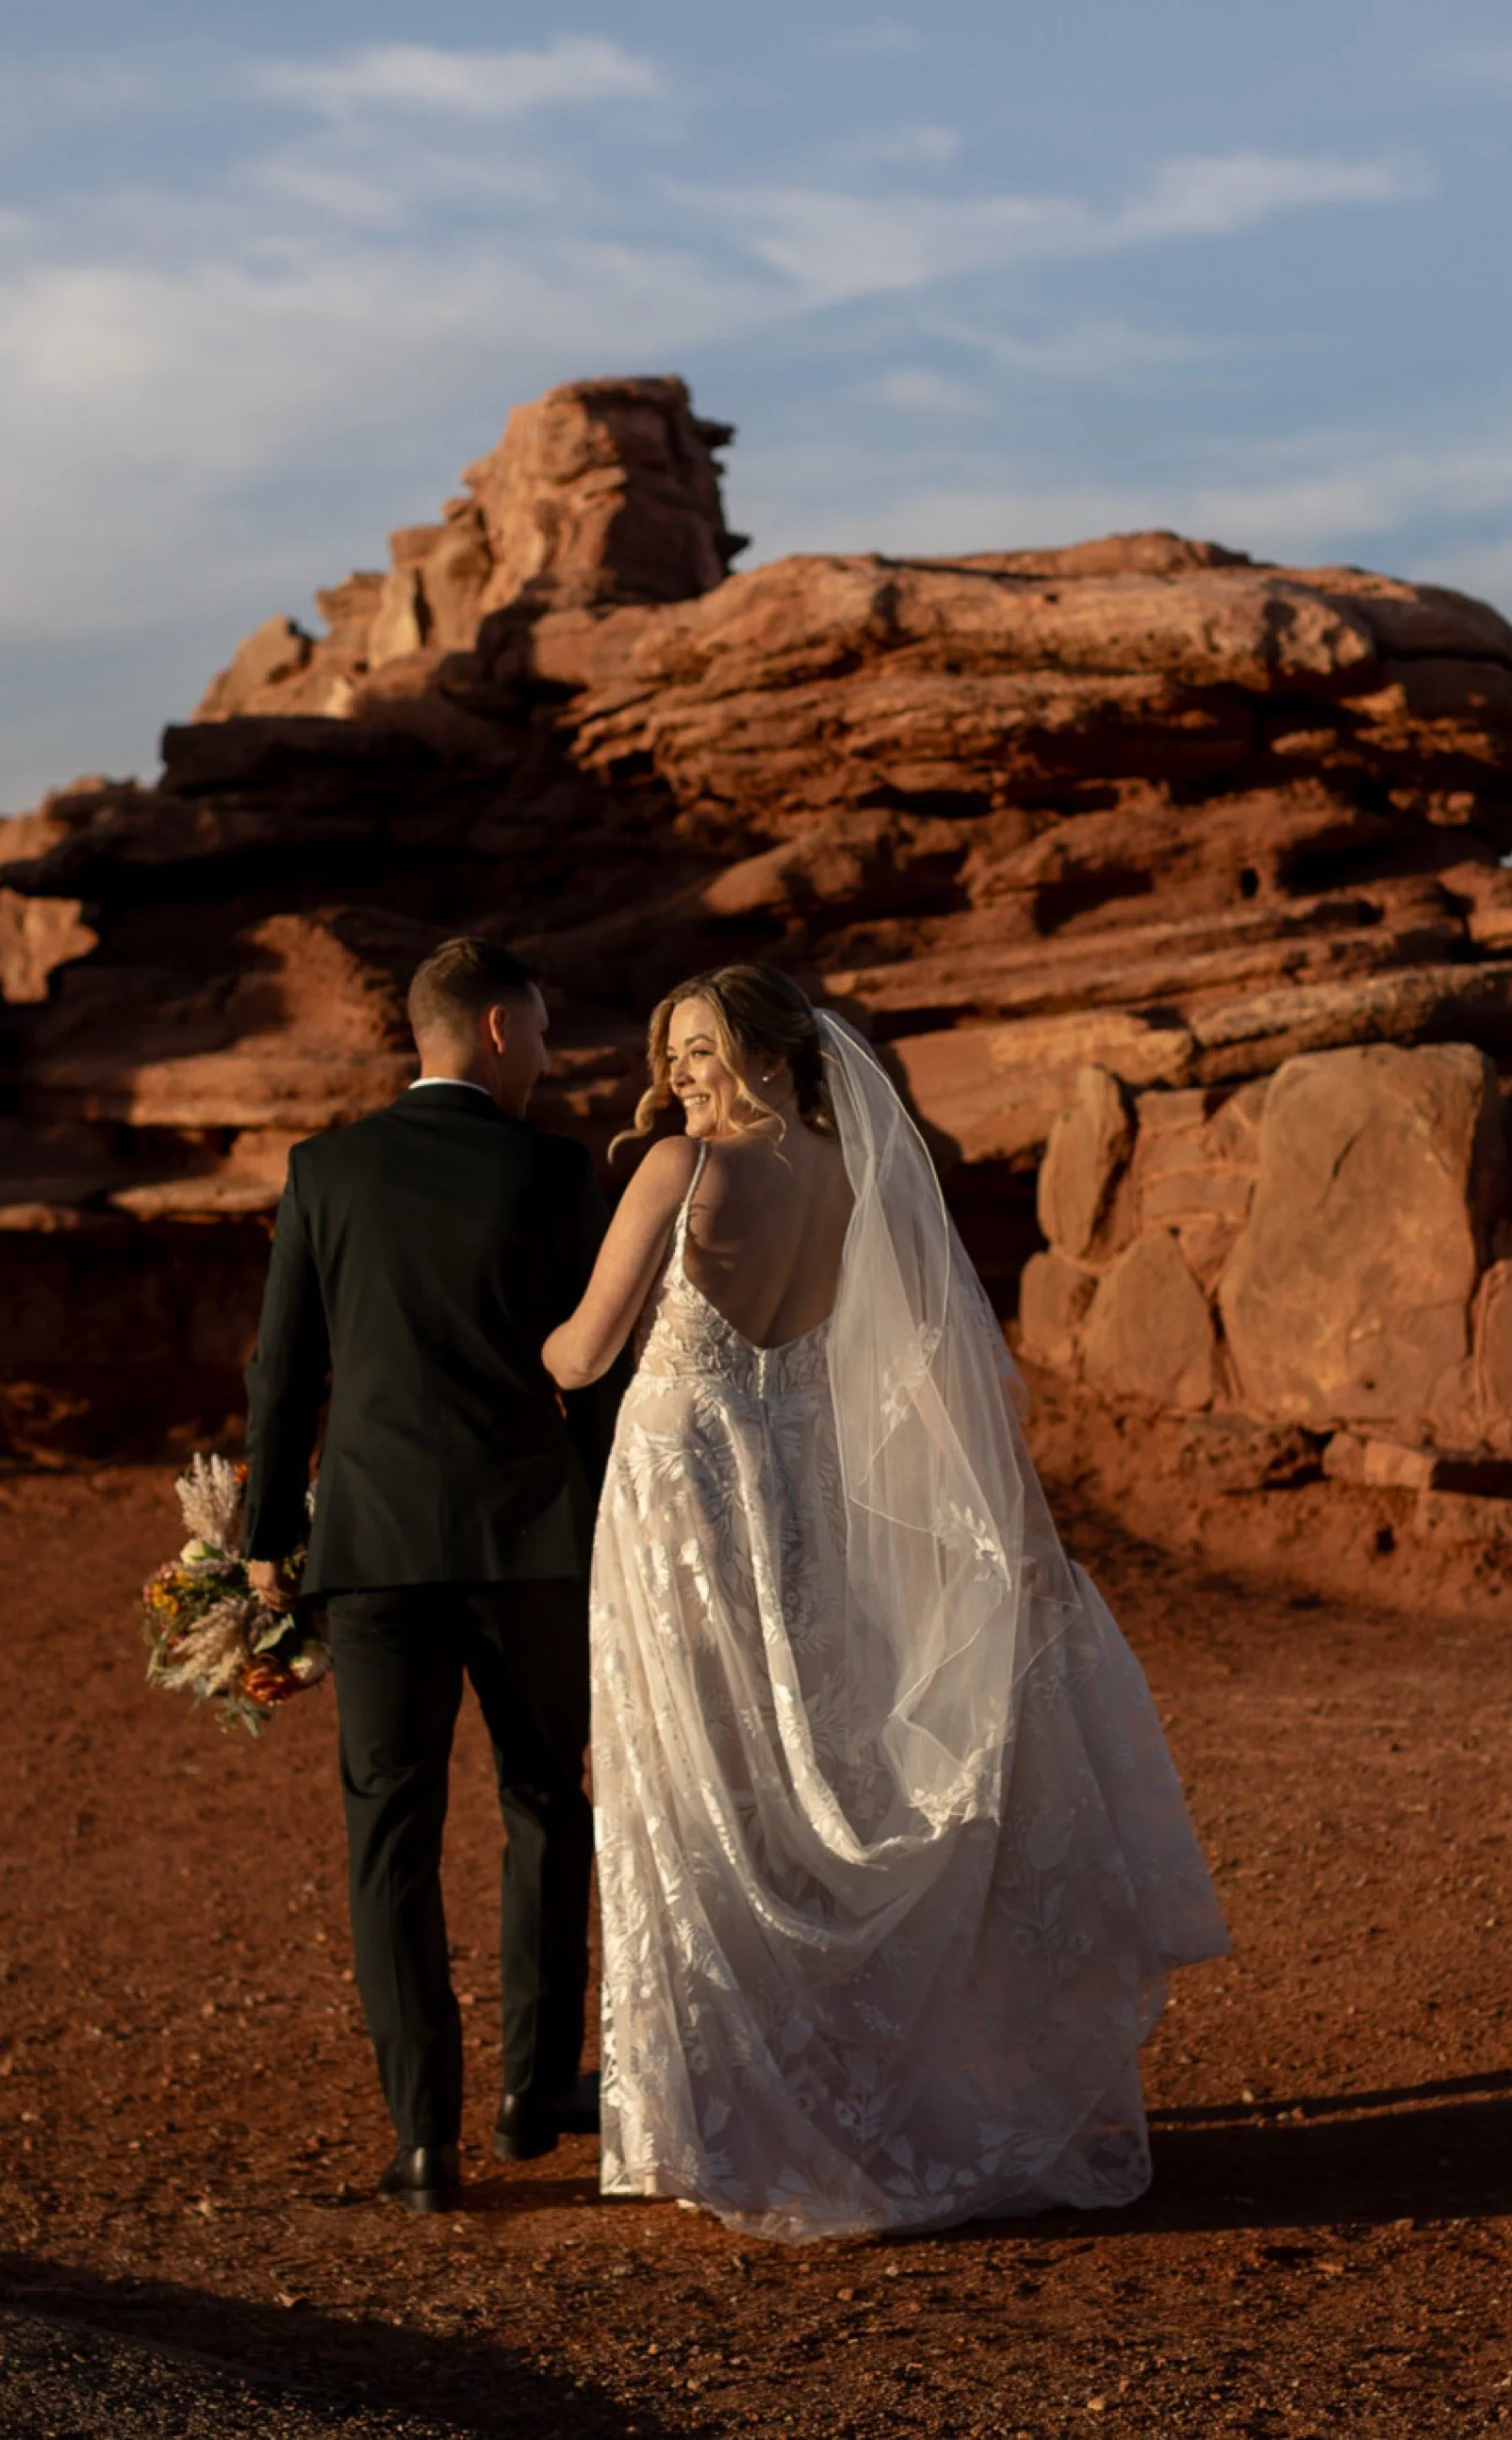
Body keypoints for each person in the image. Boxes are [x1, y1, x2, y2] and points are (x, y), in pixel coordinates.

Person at [543, 964, 1230, 2241]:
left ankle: (728, 2115)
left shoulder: (675, 1172)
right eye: (672, 1053)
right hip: (804, 1496)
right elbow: (925, 1363)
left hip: (684, 1503)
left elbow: (585, 1351)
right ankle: (845, 2091)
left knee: (706, 1789)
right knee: (810, 1778)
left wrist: (532, 1346)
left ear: (763, 1053)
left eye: (701, 1052)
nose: (682, 1076)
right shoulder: (851, 1172)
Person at [243, 937, 616, 2214]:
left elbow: (285, 1373)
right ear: (501, 1031)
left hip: (376, 1550)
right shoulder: (554, 1172)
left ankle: (423, 2142)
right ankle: (536, 2090)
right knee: (545, 1804)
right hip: (526, 1542)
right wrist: (612, 1516)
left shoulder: (325, 1171)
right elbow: (599, 1375)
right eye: (545, 1032)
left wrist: (261, 1544)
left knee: (387, 1836)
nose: (551, 1056)